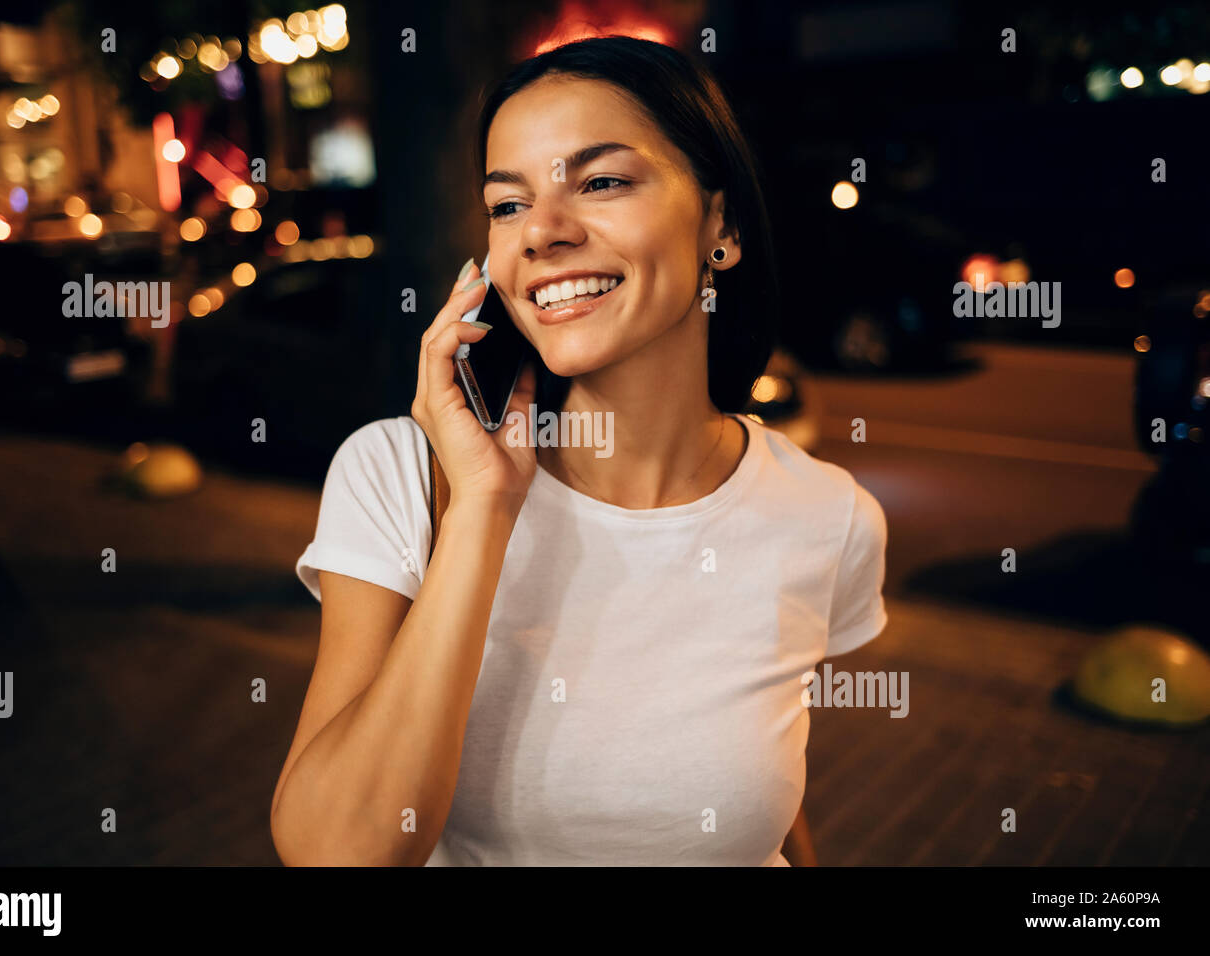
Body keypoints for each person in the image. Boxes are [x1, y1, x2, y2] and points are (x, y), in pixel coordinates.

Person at [271, 35, 887, 866]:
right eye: (506, 204)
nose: (541, 233)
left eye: (600, 182)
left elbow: (766, 808)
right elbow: (338, 851)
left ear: (723, 223)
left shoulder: (829, 515)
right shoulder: (399, 477)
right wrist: (483, 509)